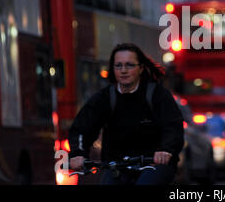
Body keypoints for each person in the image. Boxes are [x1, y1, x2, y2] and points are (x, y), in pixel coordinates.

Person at [68, 43, 184, 185]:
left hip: (153, 164)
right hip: (117, 166)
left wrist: (166, 150)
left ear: (141, 68)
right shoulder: (105, 97)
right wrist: (78, 153)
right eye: (118, 66)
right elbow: (82, 128)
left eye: (129, 65)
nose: (123, 70)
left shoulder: (157, 95)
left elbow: (173, 127)